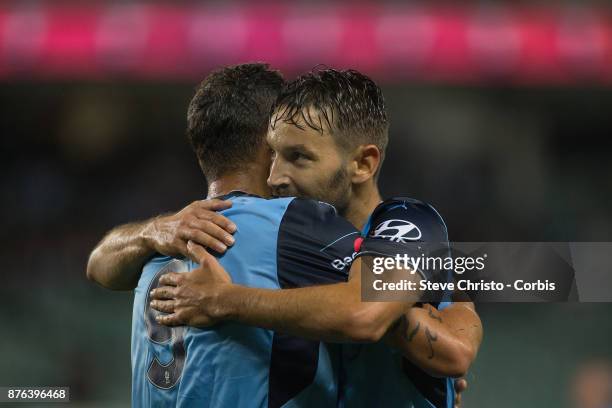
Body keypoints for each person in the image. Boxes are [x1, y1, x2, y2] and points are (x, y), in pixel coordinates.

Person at [88, 66, 481, 407]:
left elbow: (432, 341)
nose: (276, 176)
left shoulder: (404, 221)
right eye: (275, 154)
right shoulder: (202, 228)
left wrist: (229, 300)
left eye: (298, 156)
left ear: (362, 163)